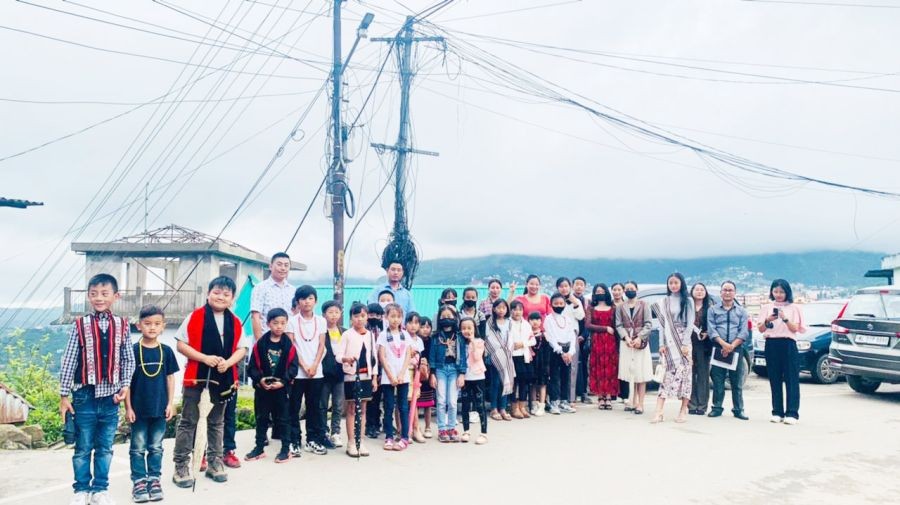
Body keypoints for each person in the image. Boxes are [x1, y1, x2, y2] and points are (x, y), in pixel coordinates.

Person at [59, 273, 135, 505]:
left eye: (104, 293)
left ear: (115, 296)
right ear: (88, 296)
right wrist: (64, 395)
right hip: (84, 397)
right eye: (93, 294)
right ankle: (81, 490)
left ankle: (100, 489)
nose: (99, 298)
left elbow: (128, 359)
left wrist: (125, 385)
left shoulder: (122, 325)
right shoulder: (80, 324)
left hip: (111, 398)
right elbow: (69, 359)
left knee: (105, 447)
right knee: (82, 448)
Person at [172, 276, 248, 488]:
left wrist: (229, 362)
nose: (220, 297)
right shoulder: (195, 316)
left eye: (226, 294)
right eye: (217, 292)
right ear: (208, 293)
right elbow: (181, 344)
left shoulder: (234, 321)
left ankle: (215, 461)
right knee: (188, 421)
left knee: (217, 422)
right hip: (196, 376)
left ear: (232, 298)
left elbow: (242, 348)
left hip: (224, 378)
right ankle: (181, 465)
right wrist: (204, 358)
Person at [126, 305, 178, 503]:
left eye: (157, 324)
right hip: (138, 410)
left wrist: (170, 404)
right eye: (147, 324)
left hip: (159, 409)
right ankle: (139, 481)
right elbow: (127, 383)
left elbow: (170, 379)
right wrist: (128, 407)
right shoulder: (132, 351)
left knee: (156, 446)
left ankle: (154, 479)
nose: (152, 328)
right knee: (137, 447)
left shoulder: (166, 351)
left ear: (163, 326)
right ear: (139, 326)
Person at [245, 308, 298, 464]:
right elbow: (252, 367)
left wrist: (283, 381)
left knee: (283, 419)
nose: (279, 327)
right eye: (275, 323)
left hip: (281, 389)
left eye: (283, 323)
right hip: (264, 388)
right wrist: (260, 380)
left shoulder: (289, 345)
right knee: (261, 418)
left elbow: (293, 368)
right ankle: (259, 448)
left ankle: (285, 449)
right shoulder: (260, 344)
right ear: (268, 324)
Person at [286, 285, 327, 456]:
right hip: (298, 372)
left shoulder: (321, 321)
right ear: (298, 301)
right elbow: (291, 347)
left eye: (310, 298)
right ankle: (294, 440)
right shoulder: (291, 321)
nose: (306, 302)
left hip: (316, 372)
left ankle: (313, 440)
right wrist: (304, 366)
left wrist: (315, 365)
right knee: (294, 407)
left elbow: (322, 345)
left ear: (315, 301)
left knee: (314, 407)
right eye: (303, 299)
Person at [758, 279, 805, 425]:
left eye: (781, 292)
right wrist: (768, 319)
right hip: (771, 344)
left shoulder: (794, 308)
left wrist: (784, 318)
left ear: (787, 292)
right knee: (774, 378)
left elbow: (795, 328)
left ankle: (792, 413)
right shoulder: (766, 307)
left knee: (791, 378)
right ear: (771, 292)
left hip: (788, 343)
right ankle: (777, 411)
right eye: (775, 291)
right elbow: (760, 329)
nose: (778, 294)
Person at [335, 303, 380, 457]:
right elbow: (338, 355)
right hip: (351, 376)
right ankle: (351, 443)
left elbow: (373, 358)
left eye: (362, 316)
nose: (359, 319)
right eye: (356, 316)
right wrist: (346, 359)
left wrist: (374, 377)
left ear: (367, 317)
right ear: (351, 318)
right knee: (352, 409)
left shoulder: (370, 335)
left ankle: (361, 441)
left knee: (364, 410)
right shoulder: (347, 334)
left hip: (366, 377)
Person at [652, 273, 695, 424]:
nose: (673, 285)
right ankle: (659, 412)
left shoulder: (688, 300)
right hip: (669, 341)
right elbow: (662, 326)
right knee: (666, 375)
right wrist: (661, 344)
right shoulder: (664, 301)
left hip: (684, 342)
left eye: (676, 282)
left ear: (681, 284)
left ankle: (683, 410)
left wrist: (684, 343)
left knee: (685, 375)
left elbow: (690, 323)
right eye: (671, 283)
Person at [707, 281, 750, 420]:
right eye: (724, 290)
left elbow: (743, 332)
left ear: (734, 293)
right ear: (721, 293)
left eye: (730, 290)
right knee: (717, 380)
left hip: (736, 348)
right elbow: (711, 329)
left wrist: (731, 346)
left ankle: (738, 409)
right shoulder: (713, 310)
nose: (727, 292)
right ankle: (717, 408)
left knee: (736, 381)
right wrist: (723, 344)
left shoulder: (742, 311)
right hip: (718, 347)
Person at [376, 303, 413, 451]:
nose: (395, 320)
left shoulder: (406, 335)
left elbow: (408, 354)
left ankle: (404, 436)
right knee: (389, 407)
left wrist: (402, 373)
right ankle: (389, 437)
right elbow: (382, 356)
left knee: (403, 407)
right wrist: (391, 375)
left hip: (403, 377)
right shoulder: (383, 335)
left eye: (398, 316)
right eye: (392, 316)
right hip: (388, 377)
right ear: (386, 317)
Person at [429, 304, 467, 443]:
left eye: (449, 317)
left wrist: (462, 373)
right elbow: (432, 356)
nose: (446, 319)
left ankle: (451, 427)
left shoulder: (459, 337)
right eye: (443, 317)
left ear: (455, 318)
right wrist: (432, 373)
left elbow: (463, 355)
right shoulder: (435, 337)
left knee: (452, 401)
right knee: (441, 401)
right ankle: (441, 429)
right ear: (439, 319)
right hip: (440, 369)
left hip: (454, 370)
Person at [616, 281, 653, 415]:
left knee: (640, 373)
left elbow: (648, 324)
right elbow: (618, 325)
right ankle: (631, 401)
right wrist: (626, 338)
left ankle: (640, 404)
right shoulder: (620, 307)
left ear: (636, 289)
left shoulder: (644, 305)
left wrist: (639, 337)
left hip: (640, 342)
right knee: (630, 372)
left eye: (632, 288)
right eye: (627, 289)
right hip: (626, 342)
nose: (629, 291)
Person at [545, 293, 579, 414]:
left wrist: (570, 352)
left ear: (565, 304)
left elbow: (572, 336)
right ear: (551, 305)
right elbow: (550, 337)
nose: (559, 305)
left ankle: (564, 401)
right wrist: (561, 352)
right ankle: (554, 402)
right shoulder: (548, 319)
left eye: (561, 303)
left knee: (566, 376)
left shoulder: (567, 319)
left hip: (567, 349)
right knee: (554, 376)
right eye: (556, 304)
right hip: (555, 350)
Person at [585, 284, 618, 410]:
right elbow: (588, 325)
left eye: (602, 291)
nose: (600, 293)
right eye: (597, 291)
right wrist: (605, 328)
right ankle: (600, 397)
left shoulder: (613, 307)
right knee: (598, 368)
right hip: (597, 341)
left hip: (610, 342)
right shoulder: (591, 308)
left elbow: (616, 325)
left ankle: (608, 396)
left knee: (610, 368)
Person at [319, 301, 346, 449]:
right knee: (322, 405)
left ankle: (336, 432)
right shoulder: (320, 331)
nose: (334, 315)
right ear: (324, 314)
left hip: (340, 374)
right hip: (324, 374)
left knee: (338, 405)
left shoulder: (344, 331)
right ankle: (323, 431)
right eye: (330, 312)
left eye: (337, 312)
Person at [555, 277, 586, 405]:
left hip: (571, 335)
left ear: (570, 286)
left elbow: (581, 316)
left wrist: (574, 301)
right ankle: (557, 397)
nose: (564, 288)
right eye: (561, 286)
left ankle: (571, 398)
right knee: (557, 368)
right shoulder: (555, 300)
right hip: (557, 336)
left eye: (566, 286)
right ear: (557, 288)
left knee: (573, 367)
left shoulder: (575, 300)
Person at [484, 299, 515, 421]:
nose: (501, 310)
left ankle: (503, 407)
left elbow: (511, 337)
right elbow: (489, 338)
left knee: (506, 381)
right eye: (498, 307)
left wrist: (508, 349)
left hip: (507, 355)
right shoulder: (490, 322)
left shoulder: (509, 322)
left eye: (503, 307)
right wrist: (499, 350)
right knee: (495, 383)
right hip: (495, 356)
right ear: (494, 309)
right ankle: (493, 408)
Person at [459, 317, 489, 445]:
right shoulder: (460, 343)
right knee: (465, 405)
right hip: (465, 377)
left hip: (477, 376)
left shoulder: (479, 341)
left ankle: (483, 433)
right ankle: (466, 431)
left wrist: (472, 342)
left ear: (474, 329)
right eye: (464, 328)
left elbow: (477, 357)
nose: (466, 331)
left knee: (480, 404)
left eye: (469, 328)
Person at [688, 283, 714, 416]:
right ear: (692, 292)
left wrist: (708, 333)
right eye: (696, 289)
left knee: (703, 375)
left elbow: (715, 325)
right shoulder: (686, 307)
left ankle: (702, 406)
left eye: (702, 289)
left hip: (704, 345)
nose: (699, 292)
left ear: (705, 292)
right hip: (688, 343)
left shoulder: (710, 308)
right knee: (690, 374)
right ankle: (691, 404)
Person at [508, 300, 535, 419]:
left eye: (520, 309)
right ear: (510, 311)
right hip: (512, 356)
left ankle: (522, 406)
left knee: (523, 382)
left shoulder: (526, 324)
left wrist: (523, 343)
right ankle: (514, 407)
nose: (517, 312)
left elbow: (533, 340)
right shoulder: (507, 323)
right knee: (513, 383)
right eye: (514, 309)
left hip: (524, 356)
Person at [364, 303, 385, 439]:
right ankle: (368, 425)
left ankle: (377, 424)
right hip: (367, 368)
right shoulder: (364, 330)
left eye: (377, 315)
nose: (374, 317)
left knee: (378, 400)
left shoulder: (384, 331)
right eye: (371, 314)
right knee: (369, 400)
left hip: (382, 368)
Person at [404, 312, 426, 443]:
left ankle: (416, 429)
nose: (413, 326)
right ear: (405, 324)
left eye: (416, 323)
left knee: (414, 401)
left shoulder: (419, 340)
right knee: (402, 403)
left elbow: (420, 357)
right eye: (410, 322)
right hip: (404, 372)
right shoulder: (403, 337)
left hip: (415, 373)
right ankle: (404, 430)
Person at [415, 317, 436, 439]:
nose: (425, 330)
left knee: (428, 404)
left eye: (428, 327)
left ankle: (428, 427)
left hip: (428, 375)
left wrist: (431, 371)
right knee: (416, 402)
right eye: (422, 326)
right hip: (417, 374)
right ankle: (416, 427)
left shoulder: (432, 341)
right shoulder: (415, 340)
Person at [528, 311, 551, 416]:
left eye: (537, 319)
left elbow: (548, 351)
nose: (535, 322)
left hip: (542, 363)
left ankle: (542, 405)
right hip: (531, 362)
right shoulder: (527, 335)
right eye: (532, 320)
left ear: (541, 321)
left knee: (542, 384)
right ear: (528, 321)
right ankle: (533, 405)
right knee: (532, 384)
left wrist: (547, 365)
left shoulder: (545, 335)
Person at [610, 282, 629, 404]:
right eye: (614, 290)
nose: (616, 292)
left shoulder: (627, 304)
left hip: (624, 337)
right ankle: (612, 393)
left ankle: (624, 394)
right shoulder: (609, 304)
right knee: (613, 365)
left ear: (623, 291)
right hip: (611, 336)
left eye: (619, 290)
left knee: (624, 364)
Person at [572, 277, 590, 404]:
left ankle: (583, 392)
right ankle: (572, 393)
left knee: (583, 366)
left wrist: (583, 336)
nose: (579, 287)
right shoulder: (568, 300)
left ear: (584, 287)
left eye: (581, 285)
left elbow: (589, 321)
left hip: (583, 337)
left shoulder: (587, 302)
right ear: (572, 286)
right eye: (576, 284)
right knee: (571, 367)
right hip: (570, 336)